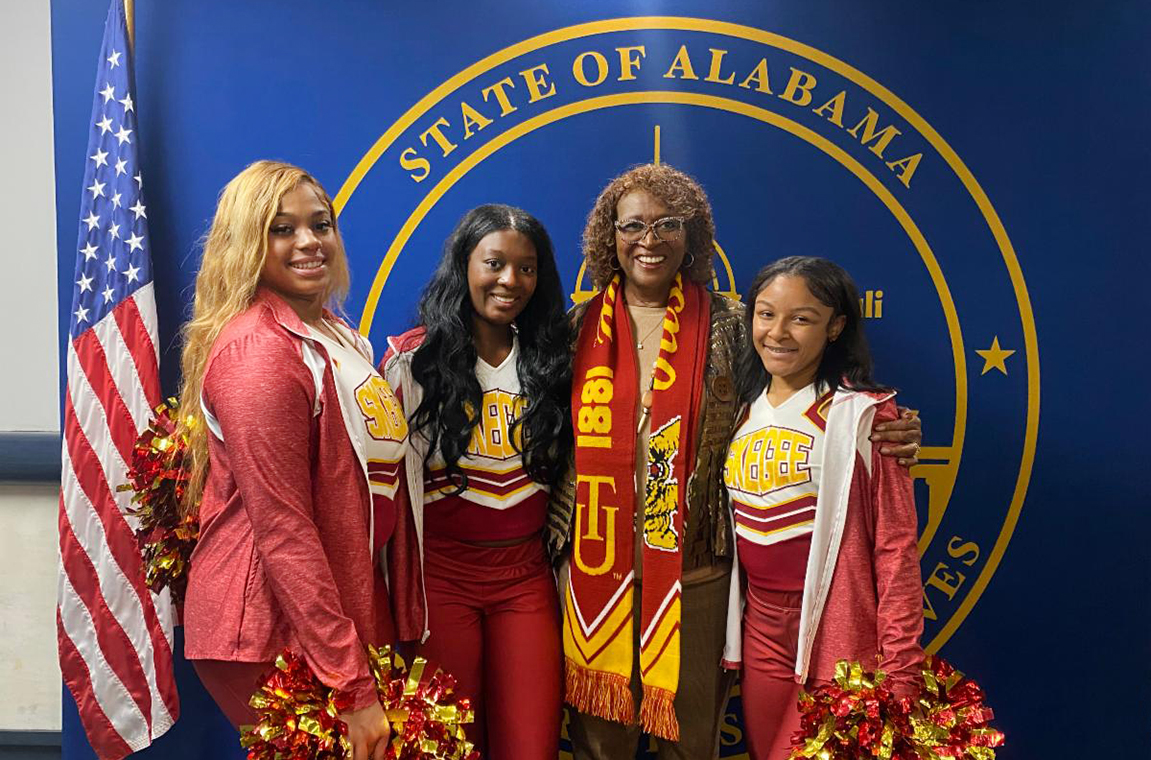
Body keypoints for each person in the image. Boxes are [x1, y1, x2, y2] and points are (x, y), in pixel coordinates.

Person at [545, 164, 923, 760]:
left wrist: (887, 425)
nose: (650, 239)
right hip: (596, 575)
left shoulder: (727, 322)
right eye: (634, 225)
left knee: (690, 742)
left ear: (692, 237)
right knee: (600, 745)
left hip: (697, 576)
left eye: (668, 224)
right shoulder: (572, 330)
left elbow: (800, 374)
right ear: (608, 237)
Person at [179, 161, 419, 760]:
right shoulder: (258, 354)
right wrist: (353, 684)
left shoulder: (331, 333)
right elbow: (284, 531)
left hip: (325, 613)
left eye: (321, 224)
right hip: (266, 627)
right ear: (247, 243)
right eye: (281, 229)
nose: (309, 241)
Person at [381, 204, 571, 759]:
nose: (510, 280)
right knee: (445, 745)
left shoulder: (554, 359)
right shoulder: (413, 360)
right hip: (441, 578)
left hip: (524, 578)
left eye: (527, 268)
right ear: (464, 265)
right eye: (494, 263)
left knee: (531, 744)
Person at [725, 256, 924, 759]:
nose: (778, 332)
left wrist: (901, 670)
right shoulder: (735, 409)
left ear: (836, 327)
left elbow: (896, 548)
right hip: (761, 632)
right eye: (766, 314)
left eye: (802, 318)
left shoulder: (864, 415)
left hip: (838, 634)